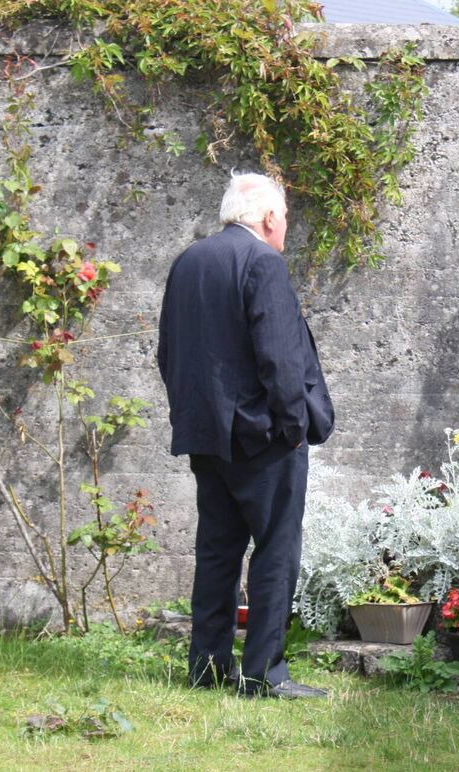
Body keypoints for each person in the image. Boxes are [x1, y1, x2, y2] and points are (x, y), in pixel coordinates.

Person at [157, 172, 333, 699]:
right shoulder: (262, 262)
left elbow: (169, 352)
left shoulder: (189, 262)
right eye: (286, 220)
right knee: (276, 551)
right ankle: (263, 674)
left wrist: (192, 415)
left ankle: (207, 669)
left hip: (205, 435)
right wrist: (293, 428)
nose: (286, 230)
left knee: (217, 551)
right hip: (263, 438)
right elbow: (279, 357)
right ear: (270, 218)